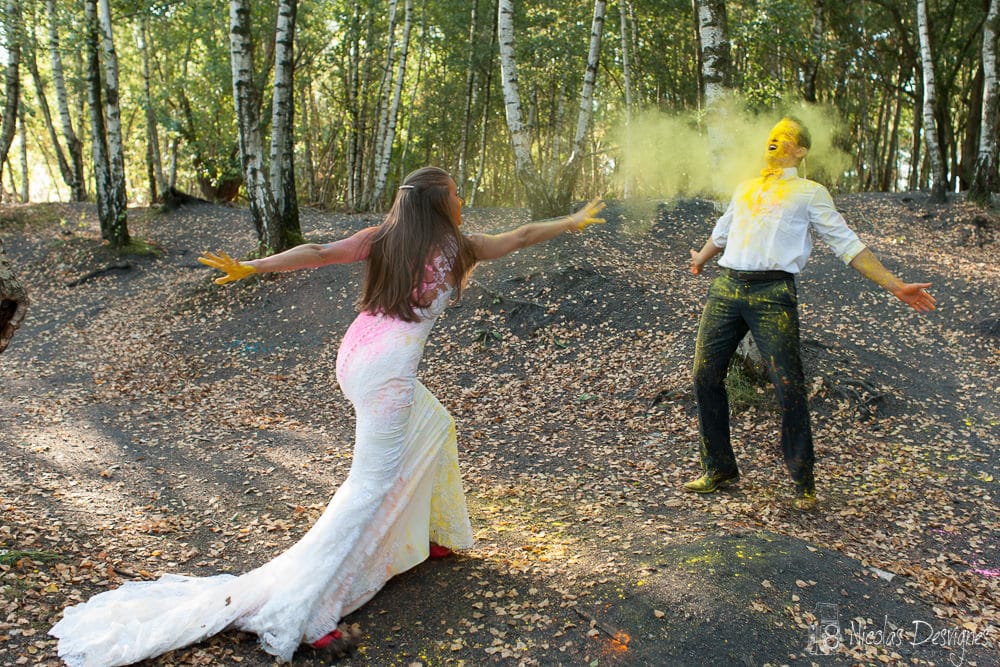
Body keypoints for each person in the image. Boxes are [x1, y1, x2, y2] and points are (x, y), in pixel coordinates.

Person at [49, 166, 605, 666]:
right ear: (439, 205)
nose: (462, 200)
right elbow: (523, 235)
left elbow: (316, 251)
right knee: (368, 486)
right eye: (455, 194)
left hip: (357, 355)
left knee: (434, 424)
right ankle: (307, 613)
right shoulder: (459, 247)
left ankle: (433, 534)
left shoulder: (385, 238)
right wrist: (572, 221)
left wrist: (253, 267)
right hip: (385, 374)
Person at [685, 117, 935, 511]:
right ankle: (719, 467)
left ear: (800, 151)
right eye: (771, 136)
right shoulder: (746, 187)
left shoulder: (809, 193)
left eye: (784, 138)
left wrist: (895, 284)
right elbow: (723, 232)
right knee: (704, 376)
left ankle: (803, 481)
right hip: (726, 289)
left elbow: (846, 244)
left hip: (773, 292)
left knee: (789, 384)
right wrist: (700, 258)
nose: (774, 141)